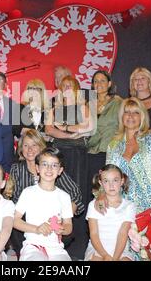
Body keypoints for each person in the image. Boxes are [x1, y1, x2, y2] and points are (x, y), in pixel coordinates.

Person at [105, 97, 151, 261]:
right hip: (123, 210)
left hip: (150, 210)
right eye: (126, 112)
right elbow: (107, 177)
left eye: (135, 112)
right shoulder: (113, 145)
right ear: (121, 117)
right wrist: (103, 197)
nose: (130, 116)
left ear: (142, 116)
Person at [9, 129, 84, 255]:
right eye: (26, 145)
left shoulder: (52, 169)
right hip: (26, 220)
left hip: (53, 223)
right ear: (21, 149)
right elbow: (11, 198)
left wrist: (63, 217)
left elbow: (75, 193)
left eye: (34, 145)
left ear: (41, 147)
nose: (30, 149)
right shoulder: (17, 169)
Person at [45, 75, 93, 259]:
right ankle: (55, 240)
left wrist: (63, 127)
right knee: (58, 192)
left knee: (77, 194)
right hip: (59, 153)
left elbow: (86, 126)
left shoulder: (83, 106)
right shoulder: (54, 107)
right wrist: (71, 132)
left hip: (78, 155)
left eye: (70, 85)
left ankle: (78, 244)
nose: (66, 88)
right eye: (63, 85)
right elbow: (49, 129)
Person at [14, 147, 73, 261]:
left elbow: (68, 226)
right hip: (33, 246)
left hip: (56, 248)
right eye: (44, 164)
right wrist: (37, 229)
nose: (49, 169)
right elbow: (15, 220)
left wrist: (62, 229)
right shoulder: (28, 192)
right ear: (37, 168)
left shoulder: (64, 196)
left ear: (60, 170)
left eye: (54, 165)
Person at [85, 164, 135, 261]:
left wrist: (115, 258)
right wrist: (105, 256)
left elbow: (123, 233)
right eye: (106, 181)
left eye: (115, 180)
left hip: (120, 251)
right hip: (98, 250)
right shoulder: (93, 205)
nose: (111, 185)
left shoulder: (129, 206)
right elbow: (94, 234)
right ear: (100, 183)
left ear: (122, 181)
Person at [86, 70, 122, 203]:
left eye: (102, 81)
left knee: (109, 190)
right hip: (90, 152)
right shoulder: (87, 105)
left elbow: (123, 126)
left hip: (109, 152)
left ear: (109, 84)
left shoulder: (118, 102)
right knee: (94, 190)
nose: (98, 84)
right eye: (95, 81)